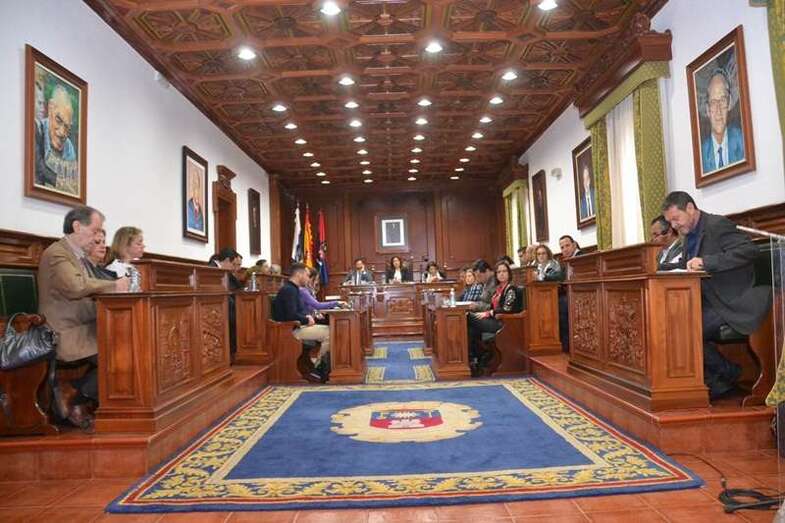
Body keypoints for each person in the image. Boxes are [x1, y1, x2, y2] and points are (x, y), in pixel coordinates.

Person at [662, 191, 770, 398]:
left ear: (690, 208)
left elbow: (748, 251)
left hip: (733, 299)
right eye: (670, 222)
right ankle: (719, 382)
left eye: (676, 219)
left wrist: (707, 262)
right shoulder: (688, 234)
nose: (674, 226)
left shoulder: (717, 225)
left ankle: (728, 374)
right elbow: (689, 265)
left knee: (685, 330)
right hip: (708, 300)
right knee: (671, 325)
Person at [37, 206, 129, 431]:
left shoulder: (78, 256)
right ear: (77, 226)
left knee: (132, 348)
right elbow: (76, 286)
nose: (98, 237)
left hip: (84, 326)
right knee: (123, 356)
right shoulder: (57, 253)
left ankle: (76, 394)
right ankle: (74, 393)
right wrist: (114, 286)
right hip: (64, 332)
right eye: (95, 230)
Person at [272, 263, 330, 382]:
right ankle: (320, 368)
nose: (309, 278)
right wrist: (306, 319)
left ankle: (319, 366)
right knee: (330, 333)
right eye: (307, 275)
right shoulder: (289, 290)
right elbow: (290, 315)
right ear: (299, 274)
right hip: (289, 330)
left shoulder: (293, 288)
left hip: (297, 326)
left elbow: (297, 311)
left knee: (331, 330)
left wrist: (306, 316)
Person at [467, 261, 522, 374]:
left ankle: (477, 357)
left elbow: (507, 309)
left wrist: (489, 313)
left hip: (504, 323)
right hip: (494, 319)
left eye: (504, 271)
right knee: (471, 329)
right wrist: (488, 312)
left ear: (509, 273)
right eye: (499, 272)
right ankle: (476, 359)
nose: (502, 274)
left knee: (468, 317)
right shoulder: (498, 289)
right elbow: (492, 306)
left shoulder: (511, 289)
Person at [34, 85, 78, 192]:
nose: (62, 133)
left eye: (67, 127)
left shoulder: (69, 148)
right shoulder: (38, 131)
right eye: (58, 120)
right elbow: (39, 168)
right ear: (50, 108)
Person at [701, 70, 744, 174]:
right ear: (707, 109)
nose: (718, 110)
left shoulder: (742, 140)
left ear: (729, 103)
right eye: (713, 102)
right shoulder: (701, 153)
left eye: (723, 100)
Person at [558, 235, 583, 353]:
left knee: (561, 303)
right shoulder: (566, 261)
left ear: (574, 245)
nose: (565, 249)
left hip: (580, 294)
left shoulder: (581, 257)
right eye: (562, 247)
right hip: (570, 294)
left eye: (567, 245)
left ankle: (567, 345)